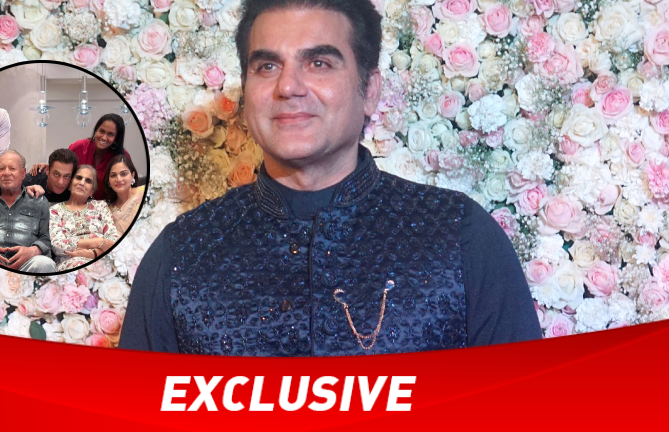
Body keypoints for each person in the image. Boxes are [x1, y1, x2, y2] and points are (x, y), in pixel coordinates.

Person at [120, 0, 542, 355]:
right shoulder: (181, 256)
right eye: (267, 66)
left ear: (370, 90)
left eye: (319, 63)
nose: (288, 86)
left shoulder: (458, 235)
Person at [0, 150, 55, 273]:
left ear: (23, 173)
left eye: (12, 168)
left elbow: (46, 238)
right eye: (1, 169)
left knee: (44, 264)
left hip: (27, 266)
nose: (6, 173)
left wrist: (32, 251)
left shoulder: (39, 202)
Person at [30, 114, 129, 200]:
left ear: (116, 138)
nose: (104, 137)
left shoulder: (121, 157)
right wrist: (49, 166)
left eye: (110, 134)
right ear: (96, 130)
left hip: (108, 205)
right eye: (101, 131)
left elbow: (128, 184)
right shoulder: (79, 147)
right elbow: (64, 163)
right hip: (74, 202)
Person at [49, 165, 119, 272]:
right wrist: (98, 242)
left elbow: (112, 239)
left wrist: (92, 254)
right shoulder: (55, 211)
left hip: (101, 259)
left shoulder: (101, 206)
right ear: (70, 184)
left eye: (88, 181)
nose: (82, 183)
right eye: (78, 178)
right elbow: (57, 245)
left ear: (92, 191)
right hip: (70, 262)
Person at [103, 155, 145, 235]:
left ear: (132, 175)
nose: (118, 179)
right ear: (108, 180)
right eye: (113, 175)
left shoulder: (145, 193)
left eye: (123, 174)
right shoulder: (109, 212)